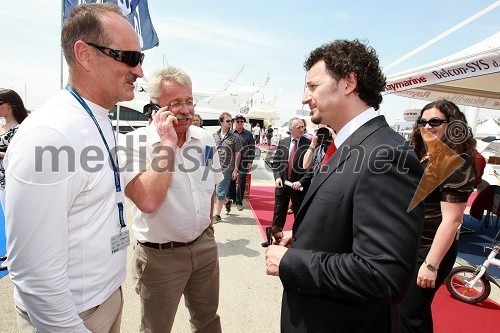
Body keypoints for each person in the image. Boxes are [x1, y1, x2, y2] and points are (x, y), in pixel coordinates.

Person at [264, 39, 425, 332]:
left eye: (313, 86)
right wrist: (302, 237)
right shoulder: (351, 144)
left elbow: (383, 275)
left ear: (349, 82)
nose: (304, 98)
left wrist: (292, 262)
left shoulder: (385, 154)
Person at [4, 3, 144, 332]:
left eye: (141, 59)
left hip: (105, 301)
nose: (139, 71)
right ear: (85, 55)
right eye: (130, 58)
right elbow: (33, 273)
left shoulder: (97, 119)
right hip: (70, 319)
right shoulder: (50, 136)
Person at [121, 66, 223, 333]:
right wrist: (166, 142)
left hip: (204, 247)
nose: (186, 109)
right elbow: (148, 201)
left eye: (189, 101)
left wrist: (207, 226)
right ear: (156, 107)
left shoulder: (205, 138)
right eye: (175, 103)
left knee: (208, 320)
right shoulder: (133, 144)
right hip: (159, 257)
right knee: (156, 328)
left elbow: (210, 185)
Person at [400, 100, 476, 333]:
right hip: (408, 244)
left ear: (452, 125)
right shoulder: (422, 155)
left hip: (429, 249)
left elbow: (452, 220)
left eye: (435, 122)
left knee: (409, 314)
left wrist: (431, 265)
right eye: (423, 122)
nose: (427, 126)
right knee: (406, 311)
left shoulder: (457, 162)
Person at [269, 117, 312, 242]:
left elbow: (311, 169)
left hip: (298, 186)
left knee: (299, 213)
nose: (301, 129)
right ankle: (275, 238)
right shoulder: (283, 142)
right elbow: (276, 163)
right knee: (278, 212)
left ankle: (298, 240)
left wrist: (301, 182)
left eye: (302, 126)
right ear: (291, 129)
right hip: (282, 184)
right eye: (298, 127)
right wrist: (277, 177)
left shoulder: (308, 144)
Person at [0, 89, 28, 271]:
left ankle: (14, 255)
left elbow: (18, 156)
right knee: (6, 215)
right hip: (1, 179)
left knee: (13, 218)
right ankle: (11, 251)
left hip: (10, 181)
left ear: (9, 105)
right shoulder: (2, 127)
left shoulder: (19, 129)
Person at [213, 112, 242, 222]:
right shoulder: (214, 135)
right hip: (214, 167)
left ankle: (217, 215)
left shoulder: (235, 137)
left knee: (220, 192)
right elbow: (210, 149)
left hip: (227, 168)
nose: (231, 123)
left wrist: (235, 169)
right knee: (216, 191)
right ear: (221, 122)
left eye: (231, 121)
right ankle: (227, 202)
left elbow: (238, 153)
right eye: (228, 121)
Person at [227, 114, 255, 211]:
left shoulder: (248, 134)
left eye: (241, 121)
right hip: (231, 161)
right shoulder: (230, 133)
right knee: (231, 180)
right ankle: (232, 199)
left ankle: (239, 202)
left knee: (242, 182)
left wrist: (250, 161)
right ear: (234, 122)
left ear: (244, 123)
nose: (239, 123)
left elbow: (252, 148)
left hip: (244, 161)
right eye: (237, 121)